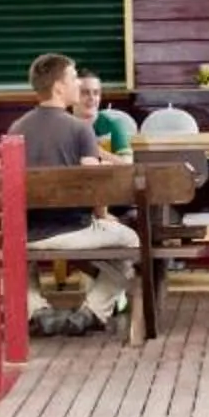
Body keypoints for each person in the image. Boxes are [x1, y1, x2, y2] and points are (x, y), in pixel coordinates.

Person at [15, 52, 138, 337]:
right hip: (74, 229)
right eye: (72, 78)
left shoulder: (17, 129)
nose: (76, 85)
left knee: (17, 261)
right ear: (59, 87)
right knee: (132, 241)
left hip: (27, 233)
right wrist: (104, 216)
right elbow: (93, 185)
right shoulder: (80, 129)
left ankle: (36, 311)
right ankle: (92, 311)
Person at [72, 70, 132, 161]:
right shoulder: (62, 126)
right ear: (72, 95)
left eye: (96, 93)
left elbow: (127, 162)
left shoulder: (113, 124)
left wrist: (94, 150)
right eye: (85, 93)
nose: (92, 98)